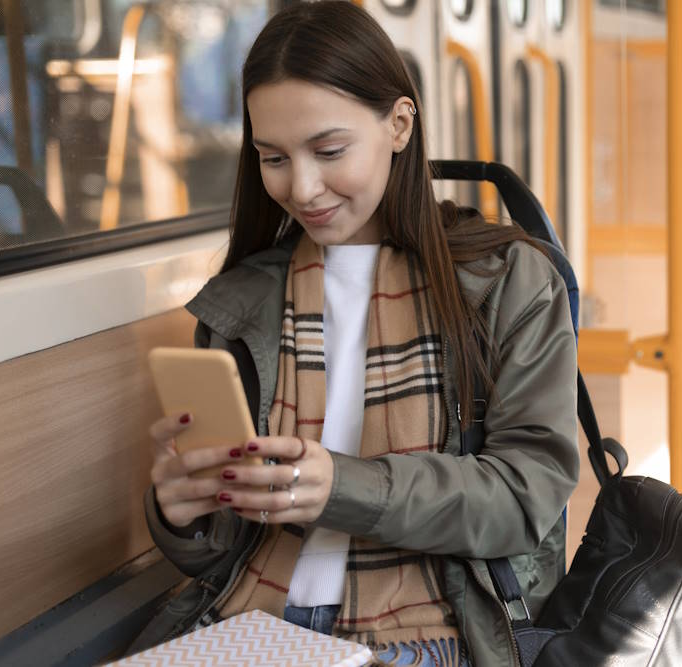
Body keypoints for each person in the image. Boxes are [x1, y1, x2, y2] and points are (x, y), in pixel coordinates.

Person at [137, 2, 579, 666]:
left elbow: (526, 495)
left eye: (329, 149)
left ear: (400, 123)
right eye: (273, 157)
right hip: (252, 617)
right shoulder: (243, 301)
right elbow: (224, 546)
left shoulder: (508, 280)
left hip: (431, 626)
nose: (303, 186)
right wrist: (181, 513)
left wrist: (342, 487)